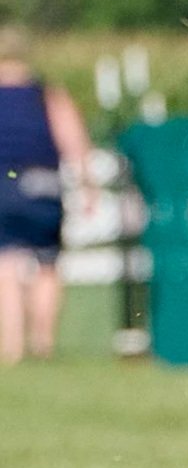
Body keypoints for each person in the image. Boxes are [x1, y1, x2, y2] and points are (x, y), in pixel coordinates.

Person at [0, 27, 94, 365]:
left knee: (6, 266)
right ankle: (43, 344)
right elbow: (73, 139)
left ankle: (11, 348)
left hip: (3, 184)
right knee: (47, 263)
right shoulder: (45, 94)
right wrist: (88, 185)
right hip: (44, 184)